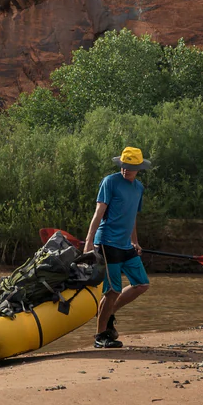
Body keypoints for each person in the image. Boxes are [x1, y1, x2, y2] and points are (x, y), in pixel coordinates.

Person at [82, 146, 150, 349]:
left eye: (130, 167)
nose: (125, 170)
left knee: (142, 284)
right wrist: (88, 241)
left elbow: (132, 218)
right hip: (107, 242)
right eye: (123, 166)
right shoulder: (110, 182)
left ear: (138, 168)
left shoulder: (138, 188)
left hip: (124, 244)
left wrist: (134, 241)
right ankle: (100, 335)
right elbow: (98, 212)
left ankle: (108, 312)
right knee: (111, 291)